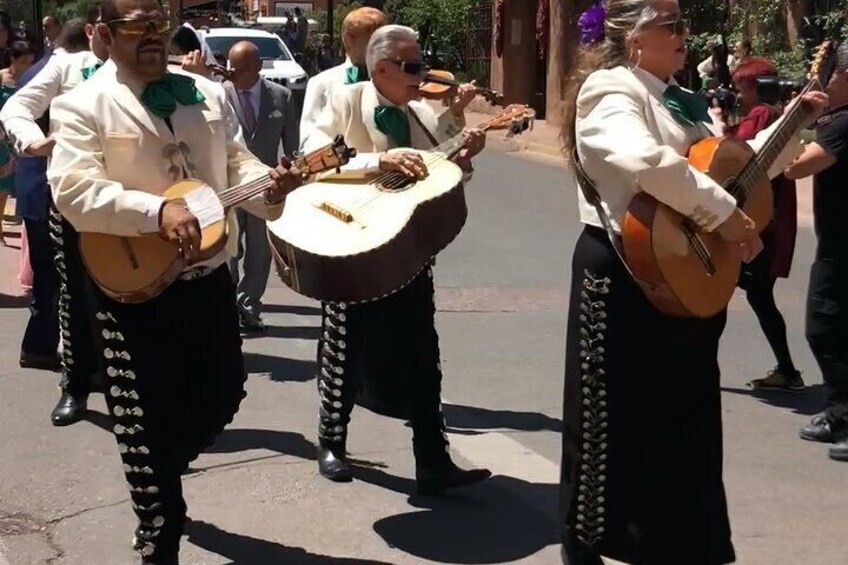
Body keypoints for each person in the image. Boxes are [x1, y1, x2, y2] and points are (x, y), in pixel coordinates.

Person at [559, 1, 826, 563]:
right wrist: (724, 215)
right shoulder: (612, 89)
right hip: (626, 269)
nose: (685, 34)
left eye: (683, 23)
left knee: (685, 421)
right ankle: (585, 546)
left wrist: (793, 122)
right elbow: (641, 160)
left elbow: (732, 166)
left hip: (685, 268)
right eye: (672, 25)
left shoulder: (679, 97)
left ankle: (681, 545)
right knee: (609, 422)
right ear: (634, 38)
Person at [47, 1, 304, 563]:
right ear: (104, 36)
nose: (151, 37)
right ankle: (158, 526)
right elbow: (73, 190)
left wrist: (272, 188)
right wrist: (153, 212)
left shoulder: (205, 95)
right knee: (142, 415)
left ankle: (165, 466)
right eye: (136, 27)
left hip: (207, 275)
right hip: (129, 280)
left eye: (157, 26)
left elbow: (236, 167)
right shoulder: (80, 105)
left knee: (223, 392)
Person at [301, 24, 491, 494]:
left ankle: (432, 459)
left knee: (423, 356)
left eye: (421, 64)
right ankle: (332, 440)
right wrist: (374, 162)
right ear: (381, 68)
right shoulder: (343, 100)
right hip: (351, 245)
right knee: (345, 347)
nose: (421, 75)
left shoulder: (422, 114)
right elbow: (310, 158)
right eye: (412, 67)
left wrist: (462, 159)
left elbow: (439, 178)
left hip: (407, 250)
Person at [1, 7, 108, 424]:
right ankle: (75, 385)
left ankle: (120, 380)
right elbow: (18, 107)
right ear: (95, 30)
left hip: (130, 200)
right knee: (73, 292)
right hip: (73, 197)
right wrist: (34, 142)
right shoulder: (69, 66)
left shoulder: (147, 71)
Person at [784, 43, 848, 463]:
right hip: (836, 241)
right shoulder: (837, 119)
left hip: (843, 249)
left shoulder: (844, 124)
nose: (827, 79)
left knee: (824, 327)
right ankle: (837, 411)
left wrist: (793, 122)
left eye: (833, 73)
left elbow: (797, 166)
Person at [723, 57, 803, 392]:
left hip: (760, 226)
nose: (738, 94)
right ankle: (787, 370)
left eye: (741, 87)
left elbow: (734, 150)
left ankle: (788, 371)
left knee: (721, 293)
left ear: (756, 87)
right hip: (768, 223)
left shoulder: (763, 115)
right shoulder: (775, 115)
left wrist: (719, 120)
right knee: (758, 298)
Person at [225, 40, 299, 333]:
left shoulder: (280, 97)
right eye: (231, 66)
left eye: (240, 68)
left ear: (257, 67)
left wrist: (293, 179)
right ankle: (228, 306)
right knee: (230, 249)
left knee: (260, 252)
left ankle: (249, 305)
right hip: (230, 187)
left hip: (266, 187)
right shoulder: (218, 95)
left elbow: (292, 143)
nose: (233, 72)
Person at [299, 7, 387, 146]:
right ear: (347, 40)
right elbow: (308, 142)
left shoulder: (397, 80)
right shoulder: (321, 84)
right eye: (373, 40)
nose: (384, 47)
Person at [0, 41, 34, 245]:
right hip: (1, 138)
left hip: (19, 138)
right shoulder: (1, 77)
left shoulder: (31, 80)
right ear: (13, 59)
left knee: (11, 185)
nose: (27, 66)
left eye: (30, 62)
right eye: (23, 62)